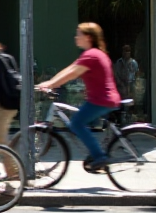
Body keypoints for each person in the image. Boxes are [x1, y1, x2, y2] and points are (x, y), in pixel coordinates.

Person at [37, 23, 121, 170]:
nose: (76, 37)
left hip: (101, 100)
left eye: (79, 34)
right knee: (81, 122)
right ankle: (95, 153)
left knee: (76, 124)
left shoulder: (91, 55)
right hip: (102, 99)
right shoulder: (93, 53)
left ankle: (99, 157)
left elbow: (72, 74)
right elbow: (69, 69)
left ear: (88, 37)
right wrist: (50, 82)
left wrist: (50, 85)